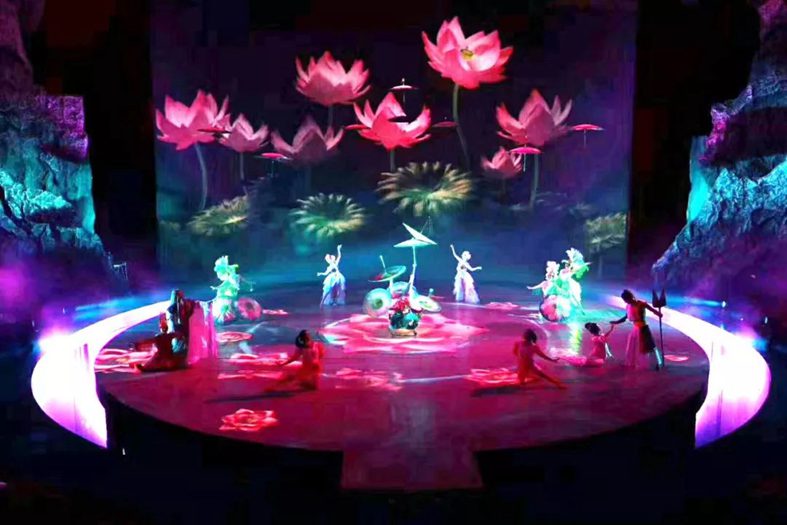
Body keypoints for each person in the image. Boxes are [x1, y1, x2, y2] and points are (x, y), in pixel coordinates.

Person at [611, 289, 664, 370]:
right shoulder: (628, 306)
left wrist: (658, 314)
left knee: (646, 347)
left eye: (626, 299)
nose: (625, 302)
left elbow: (652, 309)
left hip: (643, 328)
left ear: (630, 297)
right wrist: (617, 322)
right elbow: (626, 317)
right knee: (634, 346)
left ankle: (652, 364)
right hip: (635, 328)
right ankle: (634, 363)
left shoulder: (641, 304)